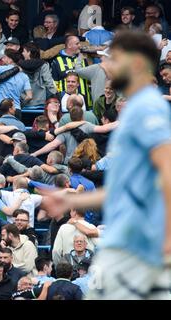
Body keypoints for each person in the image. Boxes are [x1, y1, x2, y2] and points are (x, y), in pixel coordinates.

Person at [43, 30, 171, 300]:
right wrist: (70, 204)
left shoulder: (148, 108)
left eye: (113, 59)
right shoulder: (137, 107)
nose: (106, 65)